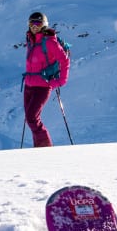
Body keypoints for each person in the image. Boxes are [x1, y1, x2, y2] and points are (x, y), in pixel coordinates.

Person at [22, 11, 70, 147]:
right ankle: (38, 149)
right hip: (29, 86)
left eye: (38, 23)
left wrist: (61, 81)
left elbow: (64, 60)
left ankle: (46, 149)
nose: (34, 26)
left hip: (42, 86)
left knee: (32, 118)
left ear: (44, 24)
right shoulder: (31, 40)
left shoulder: (49, 42)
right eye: (31, 23)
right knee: (31, 119)